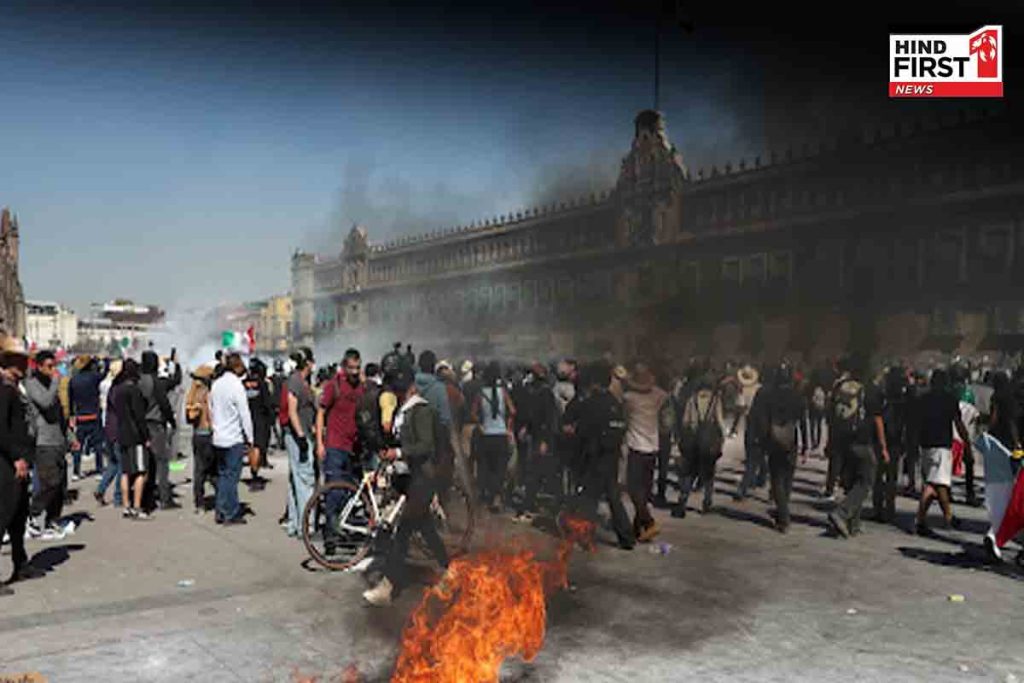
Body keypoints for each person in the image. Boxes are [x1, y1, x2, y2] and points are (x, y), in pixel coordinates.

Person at [363, 367, 449, 606]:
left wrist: (399, 451)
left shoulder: (420, 410)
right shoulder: (406, 410)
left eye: (400, 389)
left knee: (402, 533)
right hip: (411, 478)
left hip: (423, 478)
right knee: (425, 528)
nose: (397, 394)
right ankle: (448, 570)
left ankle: (387, 588)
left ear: (410, 387)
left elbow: (426, 446)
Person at [573, 361, 635, 550]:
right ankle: (627, 538)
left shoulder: (591, 404)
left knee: (588, 500)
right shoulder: (614, 403)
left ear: (594, 383)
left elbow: (582, 432)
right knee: (613, 497)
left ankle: (585, 537)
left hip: (595, 458)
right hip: (611, 458)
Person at [0, 337, 44, 594]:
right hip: (7, 463)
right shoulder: (4, 389)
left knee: (18, 516)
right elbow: (1, 430)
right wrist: (16, 456)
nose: (26, 364)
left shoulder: (15, 387)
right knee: (4, 514)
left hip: (20, 462)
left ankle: (21, 562)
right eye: (21, 359)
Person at [827, 357, 887, 539]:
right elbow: (877, 419)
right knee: (866, 481)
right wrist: (883, 446)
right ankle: (842, 513)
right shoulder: (870, 389)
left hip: (842, 441)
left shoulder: (839, 387)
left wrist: (830, 442)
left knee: (853, 483)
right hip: (862, 441)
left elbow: (831, 414)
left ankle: (853, 524)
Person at [315, 348, 364, 555]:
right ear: (344, 367)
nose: (354, 372)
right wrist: (320, 443)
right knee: (334, 493)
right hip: (334, 446)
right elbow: (321, 413)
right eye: (351, 368)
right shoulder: (333, 386)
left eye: (357, 368)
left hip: (353, 448)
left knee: (351, 494)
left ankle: (346, 533)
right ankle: (330, 537)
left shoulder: (361, 387)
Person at [24, 350, 77, 538]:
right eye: (49, 366)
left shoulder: (53, 387)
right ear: (39, 367)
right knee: (50, 482)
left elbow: (59, 415)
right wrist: (56, 381)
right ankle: (33, 515)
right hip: (43, 442)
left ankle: (52, 520)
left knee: (60, 485)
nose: (54, 370)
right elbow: (45, 403)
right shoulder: (32, 384)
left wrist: (70, 437)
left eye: (55, 366)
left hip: (58, 441)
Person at [913, 369, 971, 536]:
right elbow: (958, 423)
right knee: (938, 484)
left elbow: (917, 422)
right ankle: (939, 517)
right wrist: (966, 442)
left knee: (933, 484)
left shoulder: (923, 399)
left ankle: (931, 519)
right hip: (941, 447)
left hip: (925, 445)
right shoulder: (950, 400)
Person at [622, 362, 668, 541]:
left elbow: (625, 420)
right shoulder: (659, 395)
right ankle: (638, 529)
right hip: (653, 446)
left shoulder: (629, 398)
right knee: (644, 488)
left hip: (636, 446)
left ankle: (648, 522)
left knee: (634, 489)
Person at [759, 363, 806, 533]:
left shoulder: (769, 395)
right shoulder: (797, 396)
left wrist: (763, 442)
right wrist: (805, 445)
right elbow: (802, 423)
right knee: (788, 479)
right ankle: (783, 511)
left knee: (776, 479)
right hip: (791, 440)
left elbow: (764, 420)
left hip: (773, 440)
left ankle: (783, 515)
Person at [674, 372, 726, 517]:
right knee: (709, 474)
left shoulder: (692, 399)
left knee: (689, 473)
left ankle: (683, 501)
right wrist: (722, 438)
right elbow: (720, 420)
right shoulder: (715, 400)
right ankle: (707, 503)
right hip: (708, 442)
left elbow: (685, 421)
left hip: (692, 442)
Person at [210, 353, 253, 525]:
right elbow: (244, 414)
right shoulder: (236, 386)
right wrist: (250, 438)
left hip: (218, 436)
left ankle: (220, 510)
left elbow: (212, 410)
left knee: (222, 475)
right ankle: (231, 512)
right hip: (233, 438)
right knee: (232, 477)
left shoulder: (217, 384)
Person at [514, 362, 560, 523]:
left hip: (541, 437)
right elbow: (531, 415)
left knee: (538, 473)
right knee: (534, 472)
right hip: (535, 436)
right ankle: (531, 504)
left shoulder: (545, 393)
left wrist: (545, 441)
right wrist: (526, 428)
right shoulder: (534, 392)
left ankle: (532, 506)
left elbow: (549, 419)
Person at [471, 361, 515, 513]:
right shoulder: (503, 393)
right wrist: (508, 428)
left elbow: (473, 413)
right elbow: (513, 411)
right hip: (501, 435)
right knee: (500, 467)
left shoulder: (481, 393)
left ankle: (488, 494)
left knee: (487, 466)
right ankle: (496, 497)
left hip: (487, 435)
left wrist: (480, 425)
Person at [284, 347, 316, 537]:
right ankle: (306, 525)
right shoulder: (296, 381)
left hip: (301, 434)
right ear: (307, 363)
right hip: (298, 437)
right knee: (305, 479)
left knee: (295, 479)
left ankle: (295, 524)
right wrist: (301, 436)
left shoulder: (302, 381)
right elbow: (292, 410)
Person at [139, 350, 178, 510]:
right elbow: (165, 404)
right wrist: (172, 421)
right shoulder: (156, 382)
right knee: (162, 462)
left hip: (141, 426)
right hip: (155, 424)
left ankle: (146, 498)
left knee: (146, 464)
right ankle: (164, 498)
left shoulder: (138, 381)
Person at [116, 359, 152, 520]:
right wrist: (146, 437)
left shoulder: (118, 389)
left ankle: (126, 505)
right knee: (140, 472)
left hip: (122, 433)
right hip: (135, 436)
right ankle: (137, 506)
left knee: (125, 471)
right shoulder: (134, 390)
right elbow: (139, 417)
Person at [872, 366, 908, 523]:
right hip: (895, 440)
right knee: (891, 477)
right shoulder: (904, 399)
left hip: (881, 439)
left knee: (879, 476)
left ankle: (878, 508)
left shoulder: (881, 396)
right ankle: (890, 508)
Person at [69, 355, 106, 480]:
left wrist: (71, 416)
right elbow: (105, 372)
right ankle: (100, 470)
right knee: (98, 445)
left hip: (80, 417)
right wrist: (102, 361)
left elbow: (70, 400)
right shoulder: (94, 378)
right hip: (94, 415)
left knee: (78, 446)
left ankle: (76, 471)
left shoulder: (73, 380)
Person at [185, 365, 216, 512]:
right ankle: (221, 498)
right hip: (208, 434)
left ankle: (199, 502)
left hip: (197, 434)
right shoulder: (207, 393)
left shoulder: (192, 393)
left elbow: (189, 417)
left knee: (198, 470)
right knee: (213, 469)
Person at [94, 359, 124, 507]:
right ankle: (118, 497)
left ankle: (101, 489)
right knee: (121, 465)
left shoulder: (104, 384)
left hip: (107, 424)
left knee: (113, 463)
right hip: (116, 426)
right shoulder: (117, 387)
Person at [244, 358, 275, 491]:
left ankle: (253, 471)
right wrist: (272, 419)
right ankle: (254, 474)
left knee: (251, 447)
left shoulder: (243, 383)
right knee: (258, 446)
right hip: (260, 420)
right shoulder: (262, 384)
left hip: (246, 419)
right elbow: (267, 403)